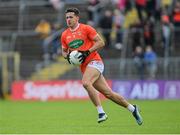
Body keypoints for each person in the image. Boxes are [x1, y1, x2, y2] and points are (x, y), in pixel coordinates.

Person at [60, 7, 143, 125]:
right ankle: (132, 109)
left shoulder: (86, 28)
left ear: (77, 18)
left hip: (95, 61)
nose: (68, 19)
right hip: (85, 67)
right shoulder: (64, 35)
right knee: (109, 94)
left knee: (86, 83)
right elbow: (64, 51)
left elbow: (101, 42)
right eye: (67, 17)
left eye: (71, 17)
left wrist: (87, 52)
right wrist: (67, 57)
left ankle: (101, 112)